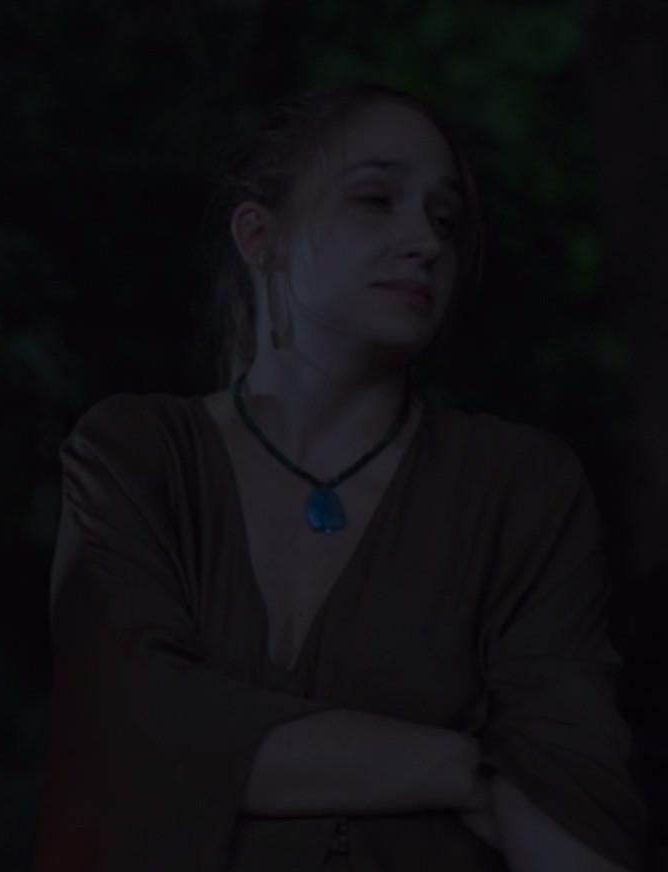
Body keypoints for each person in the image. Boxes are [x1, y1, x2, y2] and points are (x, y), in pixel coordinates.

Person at [35, 84, 650, 870]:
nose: (425, 241)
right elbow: (128, 739)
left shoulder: (519, 487)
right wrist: (462, 768)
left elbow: (573, 799)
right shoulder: (136, 454)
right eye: (375, 200)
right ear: (261, 237)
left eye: (445, 218)